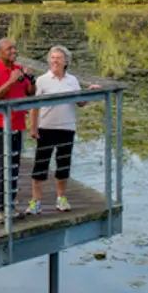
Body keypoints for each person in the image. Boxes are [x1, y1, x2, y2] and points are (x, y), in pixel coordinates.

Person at [27, 45, 100, 214]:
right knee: (40, 165)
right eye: (52, 58)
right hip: (46, 128)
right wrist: (33, 127)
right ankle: (36, 201)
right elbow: (34, 107)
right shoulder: (42, 80)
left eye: (58, 58)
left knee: (63, 165)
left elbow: (80, 103)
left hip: (67, 128)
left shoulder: (72, 81)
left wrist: (88, 93)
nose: (54, 61)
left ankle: (61, 198)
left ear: (66, 62)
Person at [0, 37, 35, 223]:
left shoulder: (18, 69)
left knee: (14, 166)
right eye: (9, 49)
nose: (14, 51)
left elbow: (30, 93)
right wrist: (10, 81)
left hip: (18, 125)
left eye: (14, 48)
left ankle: (11, 205)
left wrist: (30, 79)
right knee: (2, 168)